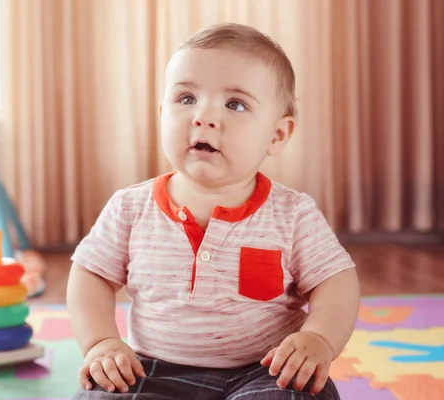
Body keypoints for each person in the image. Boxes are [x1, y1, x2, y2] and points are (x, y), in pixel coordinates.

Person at [67, 22, 360, 400]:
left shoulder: (293, 214)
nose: (203, 117)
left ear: (277, 135)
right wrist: (101, 343)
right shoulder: (130, 207)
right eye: (186, 99)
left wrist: (318, 338)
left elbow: (335, 282)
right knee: (99, 394)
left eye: (234, 104)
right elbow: (91, 274)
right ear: (162, 114)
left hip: (265, 370)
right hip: (153, 369)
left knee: (300, 393)